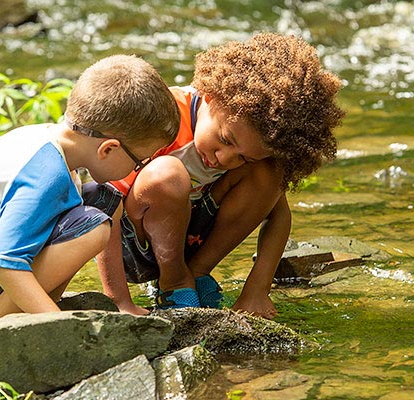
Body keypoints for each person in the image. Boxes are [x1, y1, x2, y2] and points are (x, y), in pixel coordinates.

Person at [0, 54, 180, 349]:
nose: (138, 169)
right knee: (94, 227)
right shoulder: (46, 173)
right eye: (139, 161)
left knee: (105, 201)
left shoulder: (52, 143)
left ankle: (35, 302)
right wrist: (60, 327)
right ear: (108, 149)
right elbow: (3, 262)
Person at [94, 33, 346, 319]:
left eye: (243, 157)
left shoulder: (251, 149)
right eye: (225, 139)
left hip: (190, 239)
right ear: (212, 97)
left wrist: (256, 291)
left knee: (270, 174)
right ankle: (174, 282)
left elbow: (278, 216)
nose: (224, 159)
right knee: (168, 174)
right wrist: (118, 301)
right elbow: (104, 208)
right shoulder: (161, 119)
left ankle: (197, 273)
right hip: (129, 244)